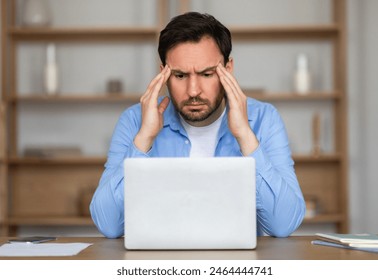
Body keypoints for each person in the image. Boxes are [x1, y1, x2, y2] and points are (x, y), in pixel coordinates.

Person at [90, 12, 305, 239]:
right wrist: (144, 139)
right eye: (180, 75)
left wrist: (245, 136)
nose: (193, 91)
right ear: (163, 73)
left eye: (207, 74)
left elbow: (283, 225)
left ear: (228, 70)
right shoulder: (135, 121)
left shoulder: (264, 118)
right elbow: (108, 224)